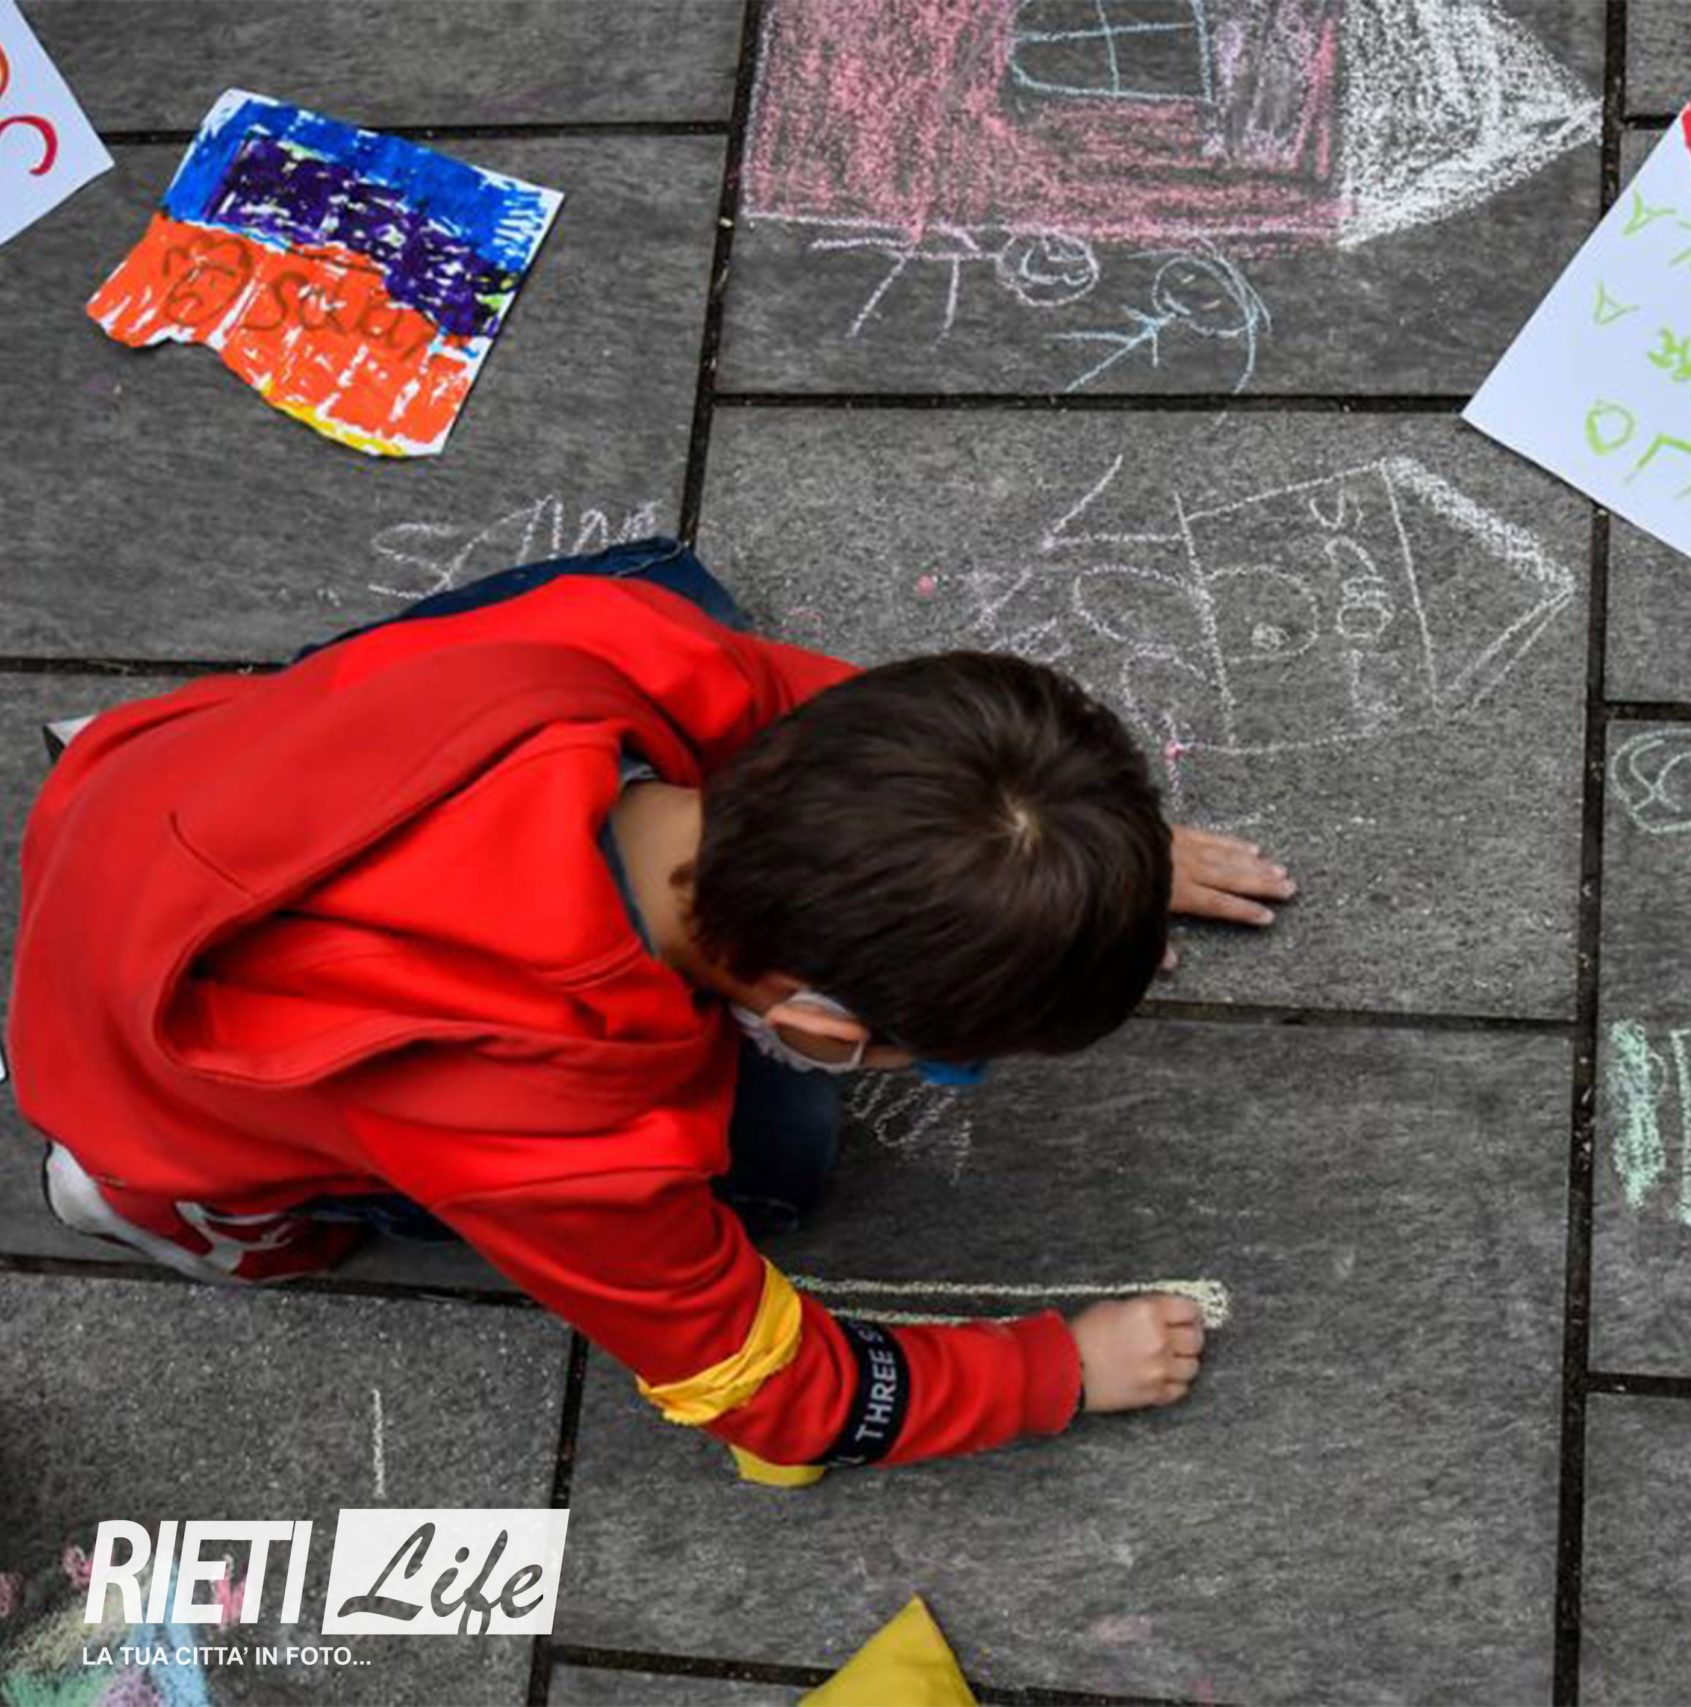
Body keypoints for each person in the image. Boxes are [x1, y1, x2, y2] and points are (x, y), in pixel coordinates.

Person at [7, 540, 1295, 1486]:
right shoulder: (558, 1143)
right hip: (155, 1069)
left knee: (670, 589)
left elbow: (833, 727)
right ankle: (139, 1199)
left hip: (179, 788)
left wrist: (1067, 852)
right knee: (783, 1164)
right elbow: (776, 1395)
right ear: (822, 1021)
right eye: (946, 1062)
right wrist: (1052, 1372)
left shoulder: (621, 646)